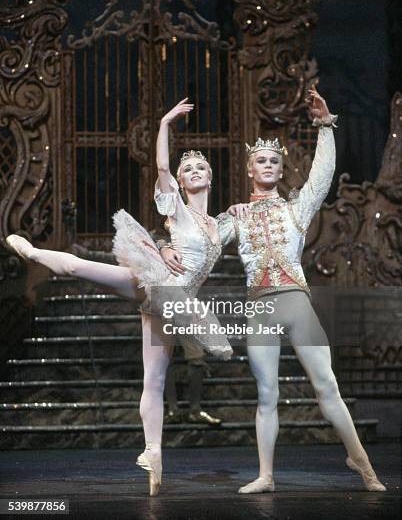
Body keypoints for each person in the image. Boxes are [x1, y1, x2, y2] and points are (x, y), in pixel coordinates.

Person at [6, 98, 235, 497]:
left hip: (175, 302)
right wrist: (164, 122)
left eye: (201, 167)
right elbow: (162, 166)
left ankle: (154, 455)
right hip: (157, 281)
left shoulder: (220, 225)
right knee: (79, 268)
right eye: (188, 169)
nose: (194, 171)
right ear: (181, 182)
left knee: (156, 379)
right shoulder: (177, 207)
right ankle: (33, 253)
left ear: (211, 178)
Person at [213, 85, 386, 493]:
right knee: (267, 393)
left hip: (296, 302)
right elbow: (201, 244)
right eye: (261, 160)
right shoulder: (235, 217)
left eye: (275, 159)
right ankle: (266, 475)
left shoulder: (296, 208)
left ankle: (363, 464)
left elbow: (322, 176)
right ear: (250, 170)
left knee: (326, 385)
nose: (269, 164)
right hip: (259, 307)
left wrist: (325, 125)